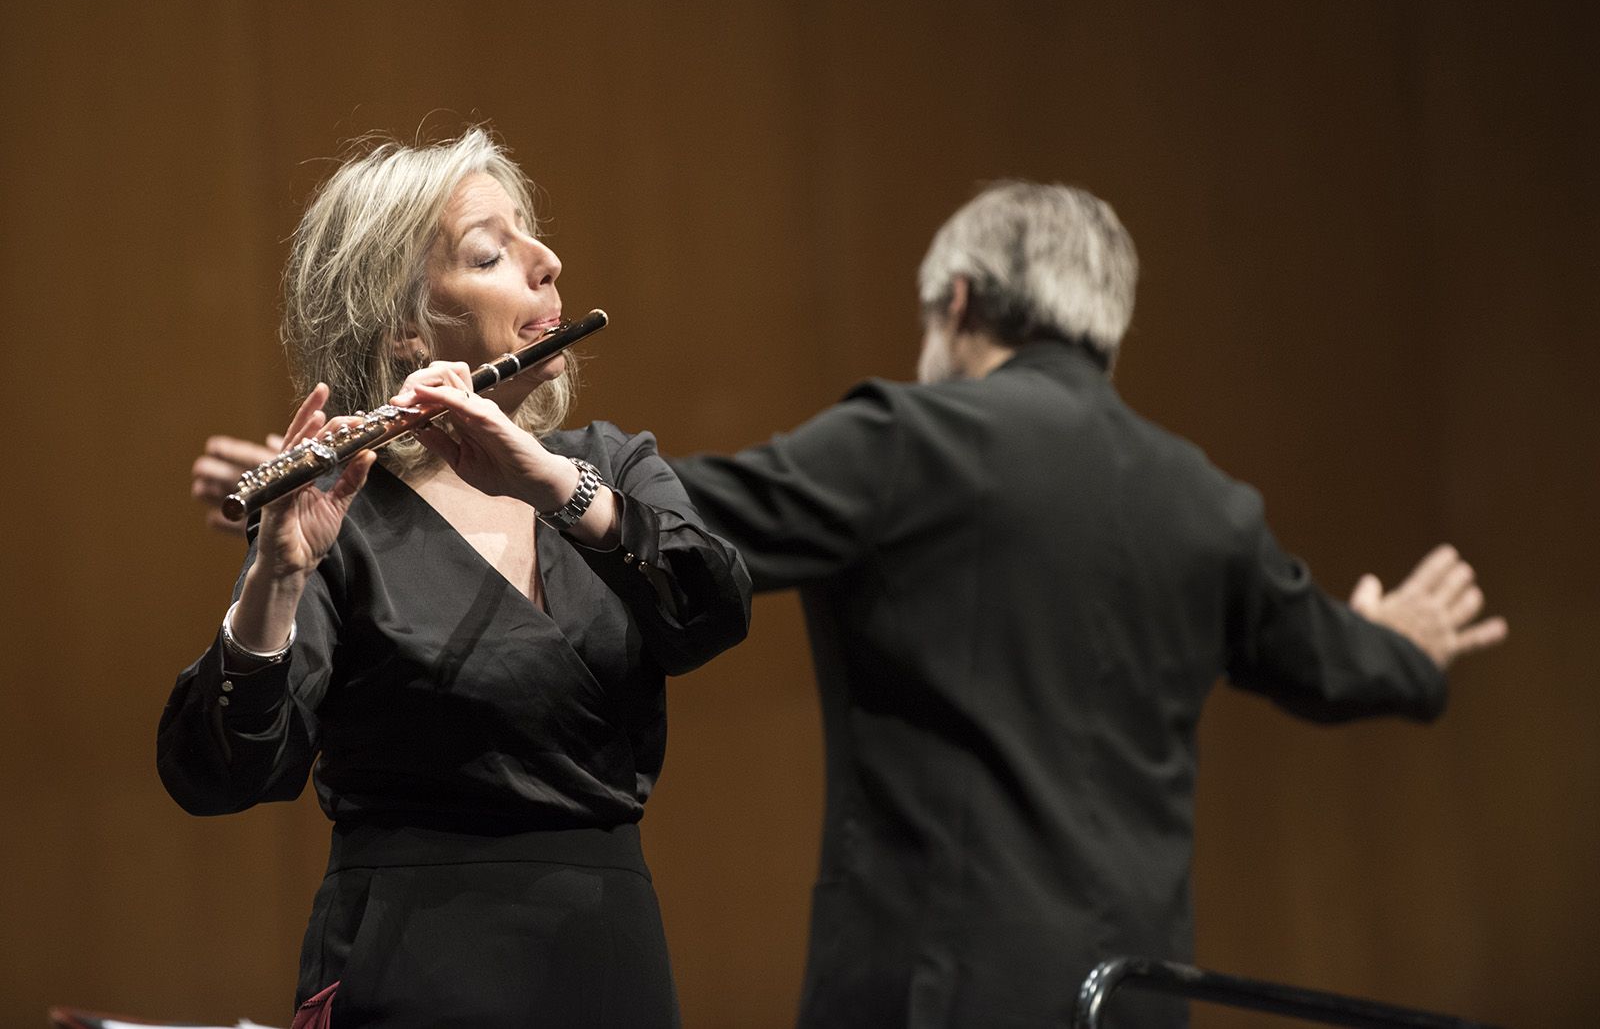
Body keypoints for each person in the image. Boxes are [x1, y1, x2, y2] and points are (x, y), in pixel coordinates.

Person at [193, 181, 1508, 1028]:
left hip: (927, 992)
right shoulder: (1207, 505)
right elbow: (1339, 660)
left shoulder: (910, 445)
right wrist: (1407, 649)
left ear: (958, 304)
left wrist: (473, 475)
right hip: (1131, 994)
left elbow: (696, 542)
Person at [162, 128, 751, 1029]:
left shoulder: (610, 465)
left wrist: (552, 484)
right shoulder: (339, 512)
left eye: (534, 237)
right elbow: (222, 774)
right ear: (405, 325)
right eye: (492, 252)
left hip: (606, 956)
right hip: (412, 966)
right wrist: (276, 579)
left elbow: (712, 607)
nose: (548, 263)